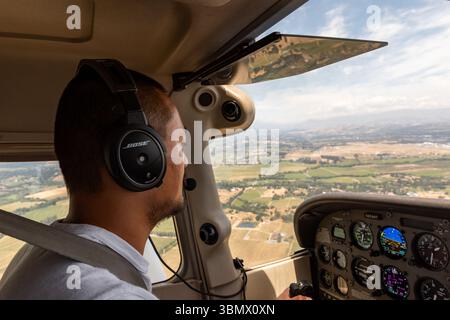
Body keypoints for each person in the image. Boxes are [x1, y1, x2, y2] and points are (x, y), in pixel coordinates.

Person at [0, 60, 310, 300]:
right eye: (179, 145)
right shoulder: (106, 293)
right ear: (139, 159)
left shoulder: (42, 253)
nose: (186, 162)